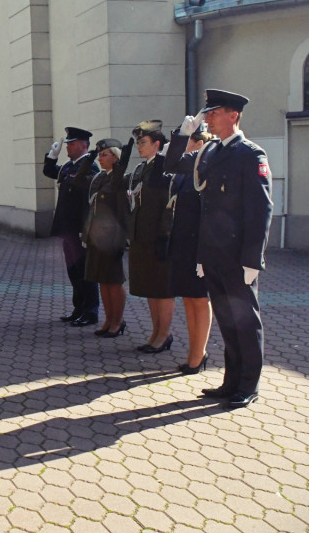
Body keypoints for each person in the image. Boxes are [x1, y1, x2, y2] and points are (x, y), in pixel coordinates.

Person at [165, 89, 273, 409]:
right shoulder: (209, 152)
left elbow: (260, 211)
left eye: (214, 112)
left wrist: (253, 259)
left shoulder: (251, 154)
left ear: (233, 116)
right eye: (207, 112)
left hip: (238, 257)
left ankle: (248, 385)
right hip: (212, 253)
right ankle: (230, 382)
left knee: (245, 322)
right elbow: (171, 165)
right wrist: (182, 134)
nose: (208, 117)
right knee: (227, 319)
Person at [167, 128, 217, 375]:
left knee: (199, 299)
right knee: (188, 298)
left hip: (199, 244)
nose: (183, 149)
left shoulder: (205, 169)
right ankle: (193, 352)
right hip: (183, 243)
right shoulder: (186, 172)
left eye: (186, 142)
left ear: (198, 144)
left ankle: (199, 353)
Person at [125, 122, 175, 354]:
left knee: (162, 289)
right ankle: (156, 332)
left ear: (157, 144)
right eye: (137, 142)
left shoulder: (165, 168)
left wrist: (165, 236)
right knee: (149, 288)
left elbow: (168, 206)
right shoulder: (143, 168)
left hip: (158, 236)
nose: (138, 147)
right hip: (142, 235)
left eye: (143, 142)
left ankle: (164, 335)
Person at [43, 127, 100, 327]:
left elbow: (86, 200)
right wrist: (52, 156)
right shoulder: (68, 166)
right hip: (68, 229)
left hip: (80, 229)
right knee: (74, 271)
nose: (68, 146)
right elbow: (49, 171)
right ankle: (79, 308)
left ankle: (91, 311)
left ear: (83, 145)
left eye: (71, 143)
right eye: (67, 143)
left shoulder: (90, 168)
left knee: (86, 272)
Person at [75, 138, 131, 338]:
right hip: (95, 236)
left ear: (116, 157)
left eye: (104, 154)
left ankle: (118, 321)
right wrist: (88, 161)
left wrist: (122, 240)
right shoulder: (99, 178)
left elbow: (123, 212)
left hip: (111, 239)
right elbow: (78, 182)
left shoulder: (121, 179)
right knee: (102, 281)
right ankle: (108, 320)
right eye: (99, 154)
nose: (100, 157)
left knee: (114, 282)